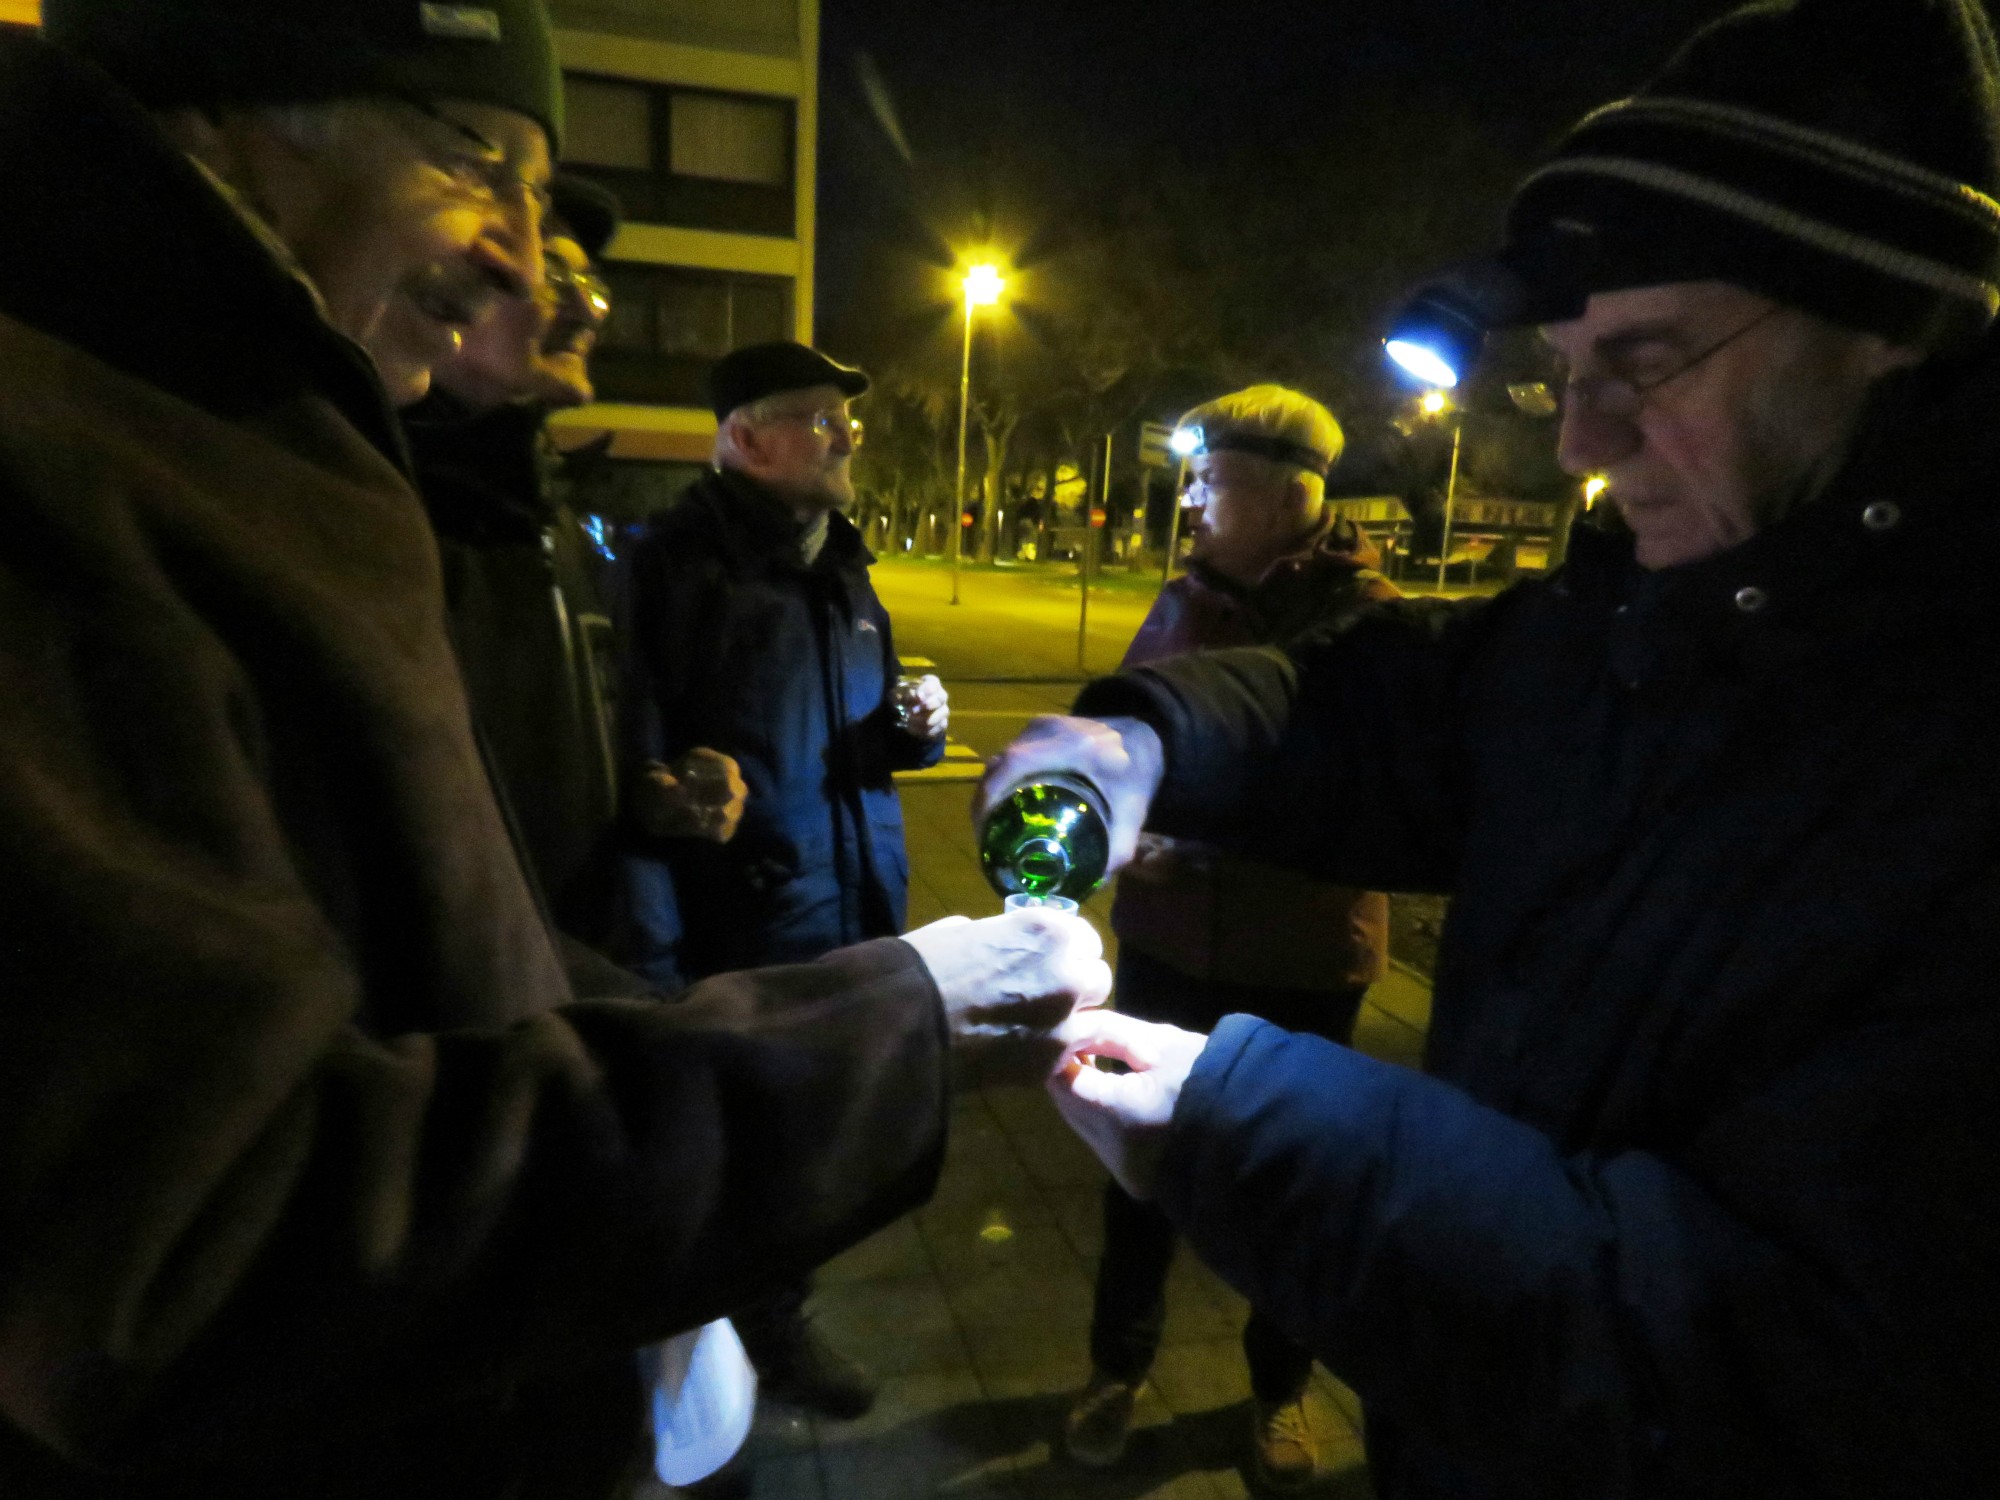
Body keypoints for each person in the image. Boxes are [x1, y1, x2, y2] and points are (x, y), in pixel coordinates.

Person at [0, 6, 1109, 1498]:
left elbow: (444, 961)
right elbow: (197, 1247)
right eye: (478, 161)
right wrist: (883, 1029)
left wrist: (759, 994)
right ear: (248, 99)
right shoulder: (80, 475)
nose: (523, 261)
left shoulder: (261, 445)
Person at [988, 1, 2000, 1495]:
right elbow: (1394, 710)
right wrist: (1142, 739)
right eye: (1565, 369)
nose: (1582, 440)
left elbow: (1763, 1363)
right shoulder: (1641, 613)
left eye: (1644, 360)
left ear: (1889, 331)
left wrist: (1244, 1126)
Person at [1063, 385, 1398, 1490]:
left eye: (1210, 477)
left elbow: (1384, 798)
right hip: (1165, 942)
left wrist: (1225, 840)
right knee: (1134, 1165)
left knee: (1292, 1177)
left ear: (1288, 491)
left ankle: (1276, 1390)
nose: (1189, 496)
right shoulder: (1177, 603)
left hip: (1300, 961)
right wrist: (1131, 825)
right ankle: (1116, 1368)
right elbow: (1129, 737)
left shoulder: (1371, 624)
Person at [617, 342, 951, 1417]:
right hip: (737, 929)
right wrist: (654, 951)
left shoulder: (842, 563)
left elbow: (858, 743)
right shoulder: (672, 566)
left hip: (845, 911)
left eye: (843, 418)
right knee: (732, 1150)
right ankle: (712, 1340)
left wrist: (910, 731)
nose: (846, 434)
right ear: (743, 438)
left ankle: (773, 1320)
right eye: (817, 418)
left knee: (807, 1143)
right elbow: (635, 757)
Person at [405, 174, 682, 969]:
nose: (585, 310)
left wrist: (648, 798)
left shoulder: (545, 514)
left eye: (592, 285)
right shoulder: (390, 512)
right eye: (556, 280)